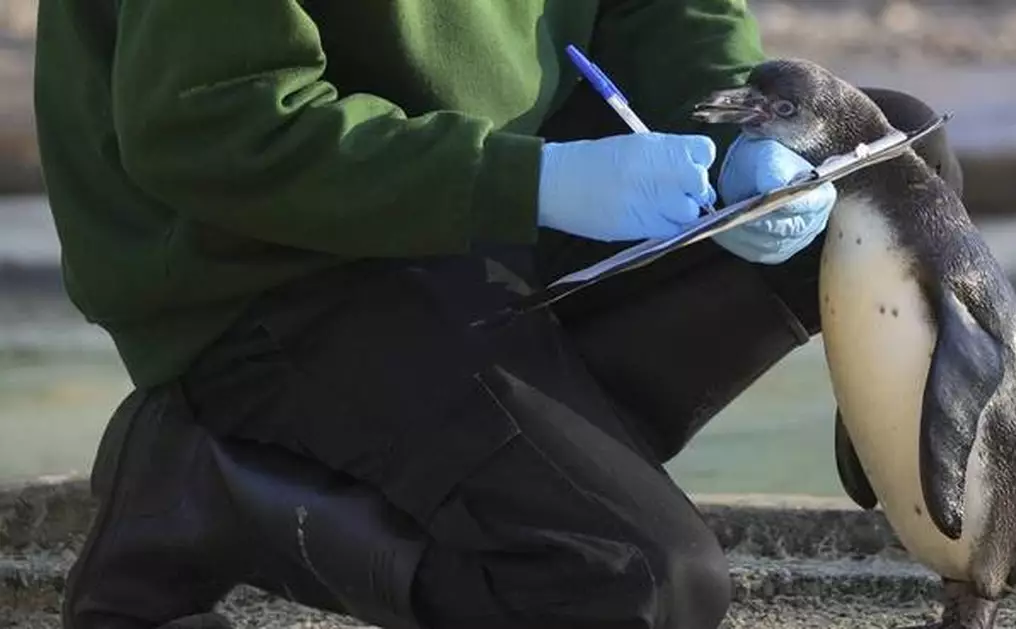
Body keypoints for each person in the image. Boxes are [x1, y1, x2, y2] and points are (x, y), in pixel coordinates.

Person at [34, 2, 962, 628]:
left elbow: (666, 11)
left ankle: (522, 459)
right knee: (639, 585)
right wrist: (537, 183)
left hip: (496, 214)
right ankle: (202, 486)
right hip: (272, 270)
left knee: (882, 169)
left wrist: (741, 132)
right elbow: (211, 125)